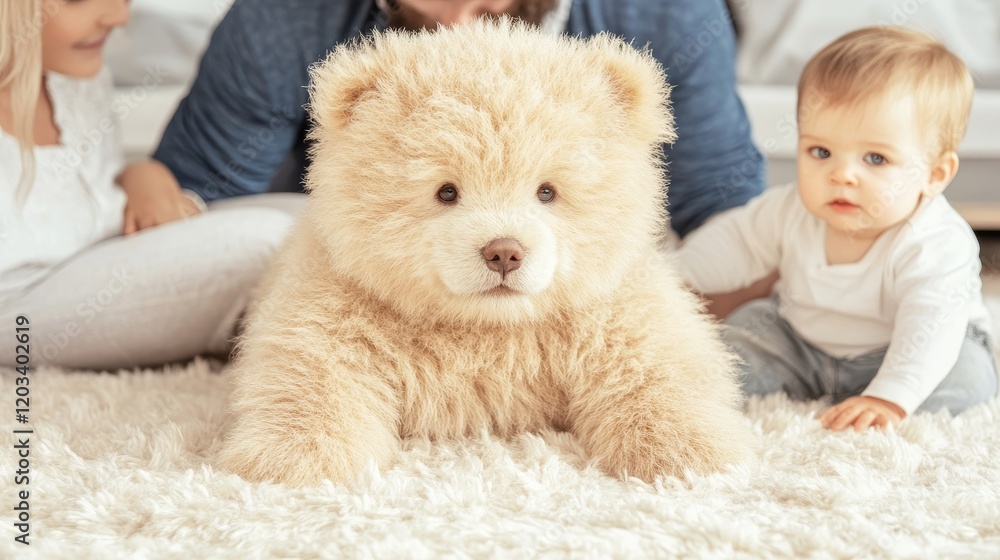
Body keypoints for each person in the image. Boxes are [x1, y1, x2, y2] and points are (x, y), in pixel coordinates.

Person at [122, 0, 765, 243]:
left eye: (487, 5)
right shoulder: (279, 21)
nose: (458, 25)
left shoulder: (671, 18)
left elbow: (733, 220)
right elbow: (198, 221)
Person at [675, 26, 997, 432]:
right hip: (799, 342)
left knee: (967, 375)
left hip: (907, 347)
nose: (841, 174)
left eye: (875, 159)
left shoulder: (934, 242)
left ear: (934, 174)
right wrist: (669, 274)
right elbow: (732, 244)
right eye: (821, 152)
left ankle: (878, 401)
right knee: (738, 335)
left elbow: (930, 325)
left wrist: (891, 396)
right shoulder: (790, 210)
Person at [0, 0, 306, 370]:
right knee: (266, 241)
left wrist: (138, 176)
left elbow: (84, 194)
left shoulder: (75, 77)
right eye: (76, 1)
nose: (118, 17)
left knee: (308, 216)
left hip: (91, 258)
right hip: (17, 307)